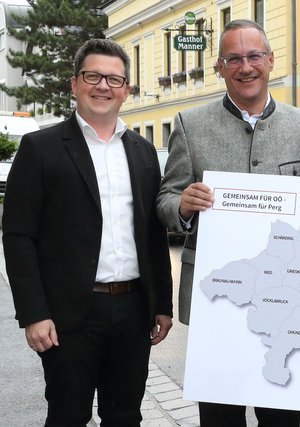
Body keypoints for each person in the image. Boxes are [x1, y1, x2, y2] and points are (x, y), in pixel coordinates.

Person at [156, 19, 300, 427]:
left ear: (270, 60)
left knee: (281, 418)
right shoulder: (189, 125)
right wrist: (183, 205)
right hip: (218, 301)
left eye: (253, 56)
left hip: (285, 302)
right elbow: (164, 199)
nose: (245, 67)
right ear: (219, 66)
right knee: (219, 419)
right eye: (234, 58)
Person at [2, 38, 173, 426]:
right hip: (68, 316)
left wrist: (162, 304)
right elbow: (17, 236)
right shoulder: (40, 148)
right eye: (92, 76)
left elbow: (152, 235)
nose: (103, 86)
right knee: (67, 416)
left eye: (115, 79)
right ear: (74, 83)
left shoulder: (143, 152)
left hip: (132, 310)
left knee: (126, 416)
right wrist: (33, 313)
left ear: (127, 90)